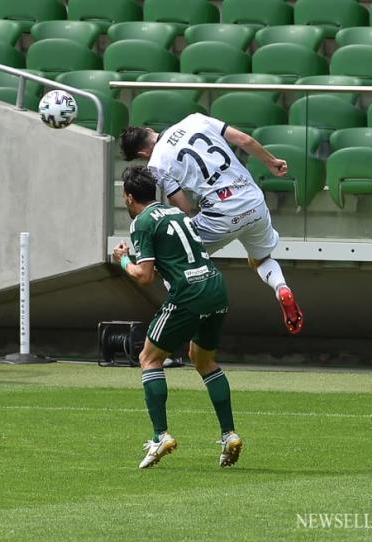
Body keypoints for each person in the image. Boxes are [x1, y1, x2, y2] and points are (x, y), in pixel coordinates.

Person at [119, 115, 304, 335]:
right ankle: (281, 288)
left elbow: (184, 207)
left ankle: (180, 327)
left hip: (219, 214)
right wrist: (271, 161)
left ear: (142, 154)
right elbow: (245, 140)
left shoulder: (157, 163)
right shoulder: (194, 120)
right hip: (253, 199)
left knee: (172, 262)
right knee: (261, 259)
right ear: (149, 130)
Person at [113, 165, 243, 470]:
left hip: (190, 294)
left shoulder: (142, 222)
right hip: (215, 286)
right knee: (202, 359)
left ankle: (160, 436)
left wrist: (123, 261)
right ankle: (229, 435)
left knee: (149, 357)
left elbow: (143, 277)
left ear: (129, 197)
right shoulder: (177, 213)